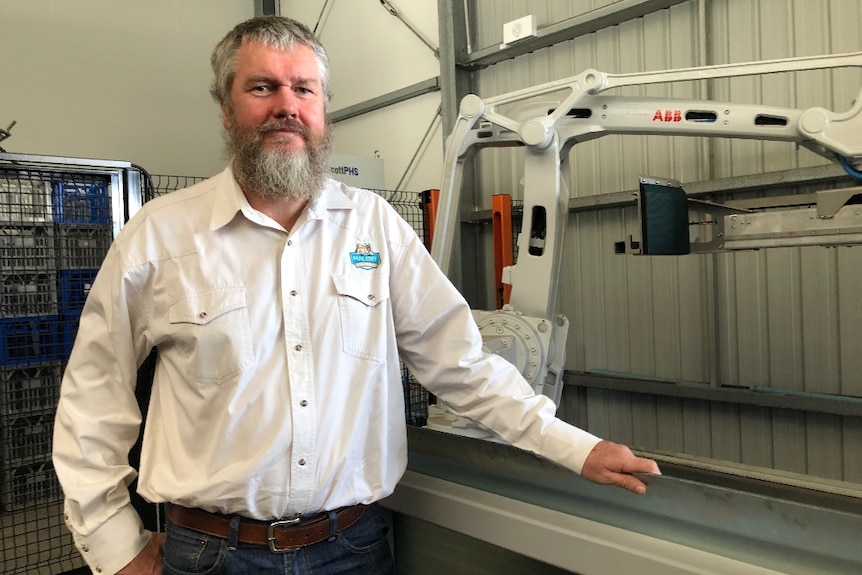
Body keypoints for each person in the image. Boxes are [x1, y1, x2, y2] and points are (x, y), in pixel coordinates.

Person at [52, 15, 660, 575]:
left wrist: (575, 447)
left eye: (304, 89)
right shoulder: (158, 237)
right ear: (225, 107)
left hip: (352, 550)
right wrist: (114, 547)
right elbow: (93, 398)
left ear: (323, 109)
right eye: (262, 88)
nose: (286, 106)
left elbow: (460, 365)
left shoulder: (374, 228)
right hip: (213, 553)